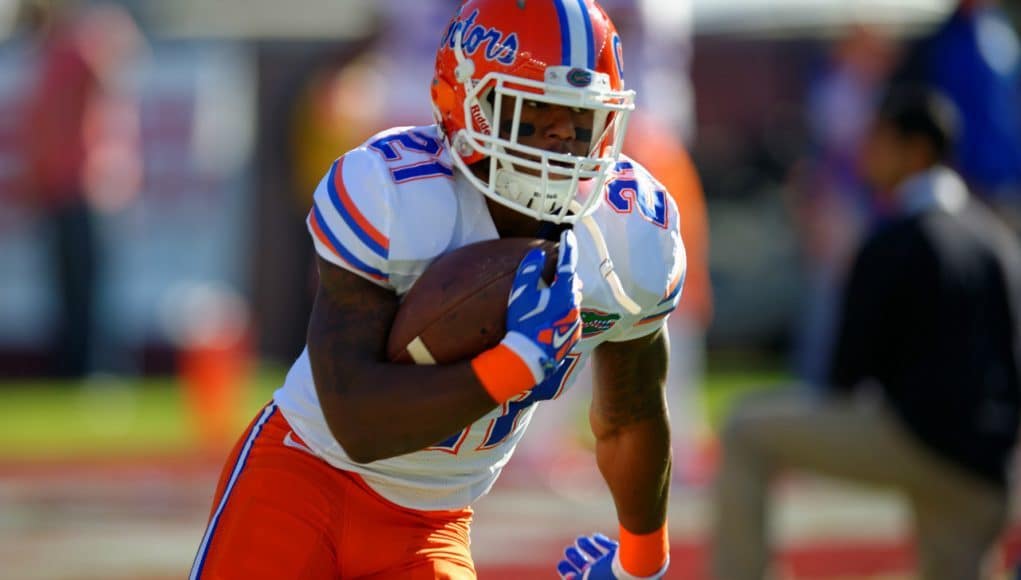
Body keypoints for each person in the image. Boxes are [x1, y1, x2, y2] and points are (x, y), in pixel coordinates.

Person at [190, 1, 685, 579]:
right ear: (465, 102)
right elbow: (355, 422)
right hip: (304, 476)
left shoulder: (629, 237)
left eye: (581, 120)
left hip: (431, 525)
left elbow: (631, 417)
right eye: (535, 110)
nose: (560, 138)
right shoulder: (394, 192)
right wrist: (515, 363)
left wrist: (640, 565)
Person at [712, 86, 1021, 580]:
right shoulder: (996, 238)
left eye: (878, 139)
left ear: (915, 150)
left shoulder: (893, 238)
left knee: (746, 429)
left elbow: (845, 377)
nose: (867, 153)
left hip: (918, 446)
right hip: (990, 477)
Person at [19, 0, 143, 378]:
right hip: (56, 186)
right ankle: (72, 367)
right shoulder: (51, 49)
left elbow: (117, 74)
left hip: (87, 185)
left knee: (91, 285)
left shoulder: (88, 40)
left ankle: (97, 370)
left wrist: (101, 36)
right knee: (67, 286)